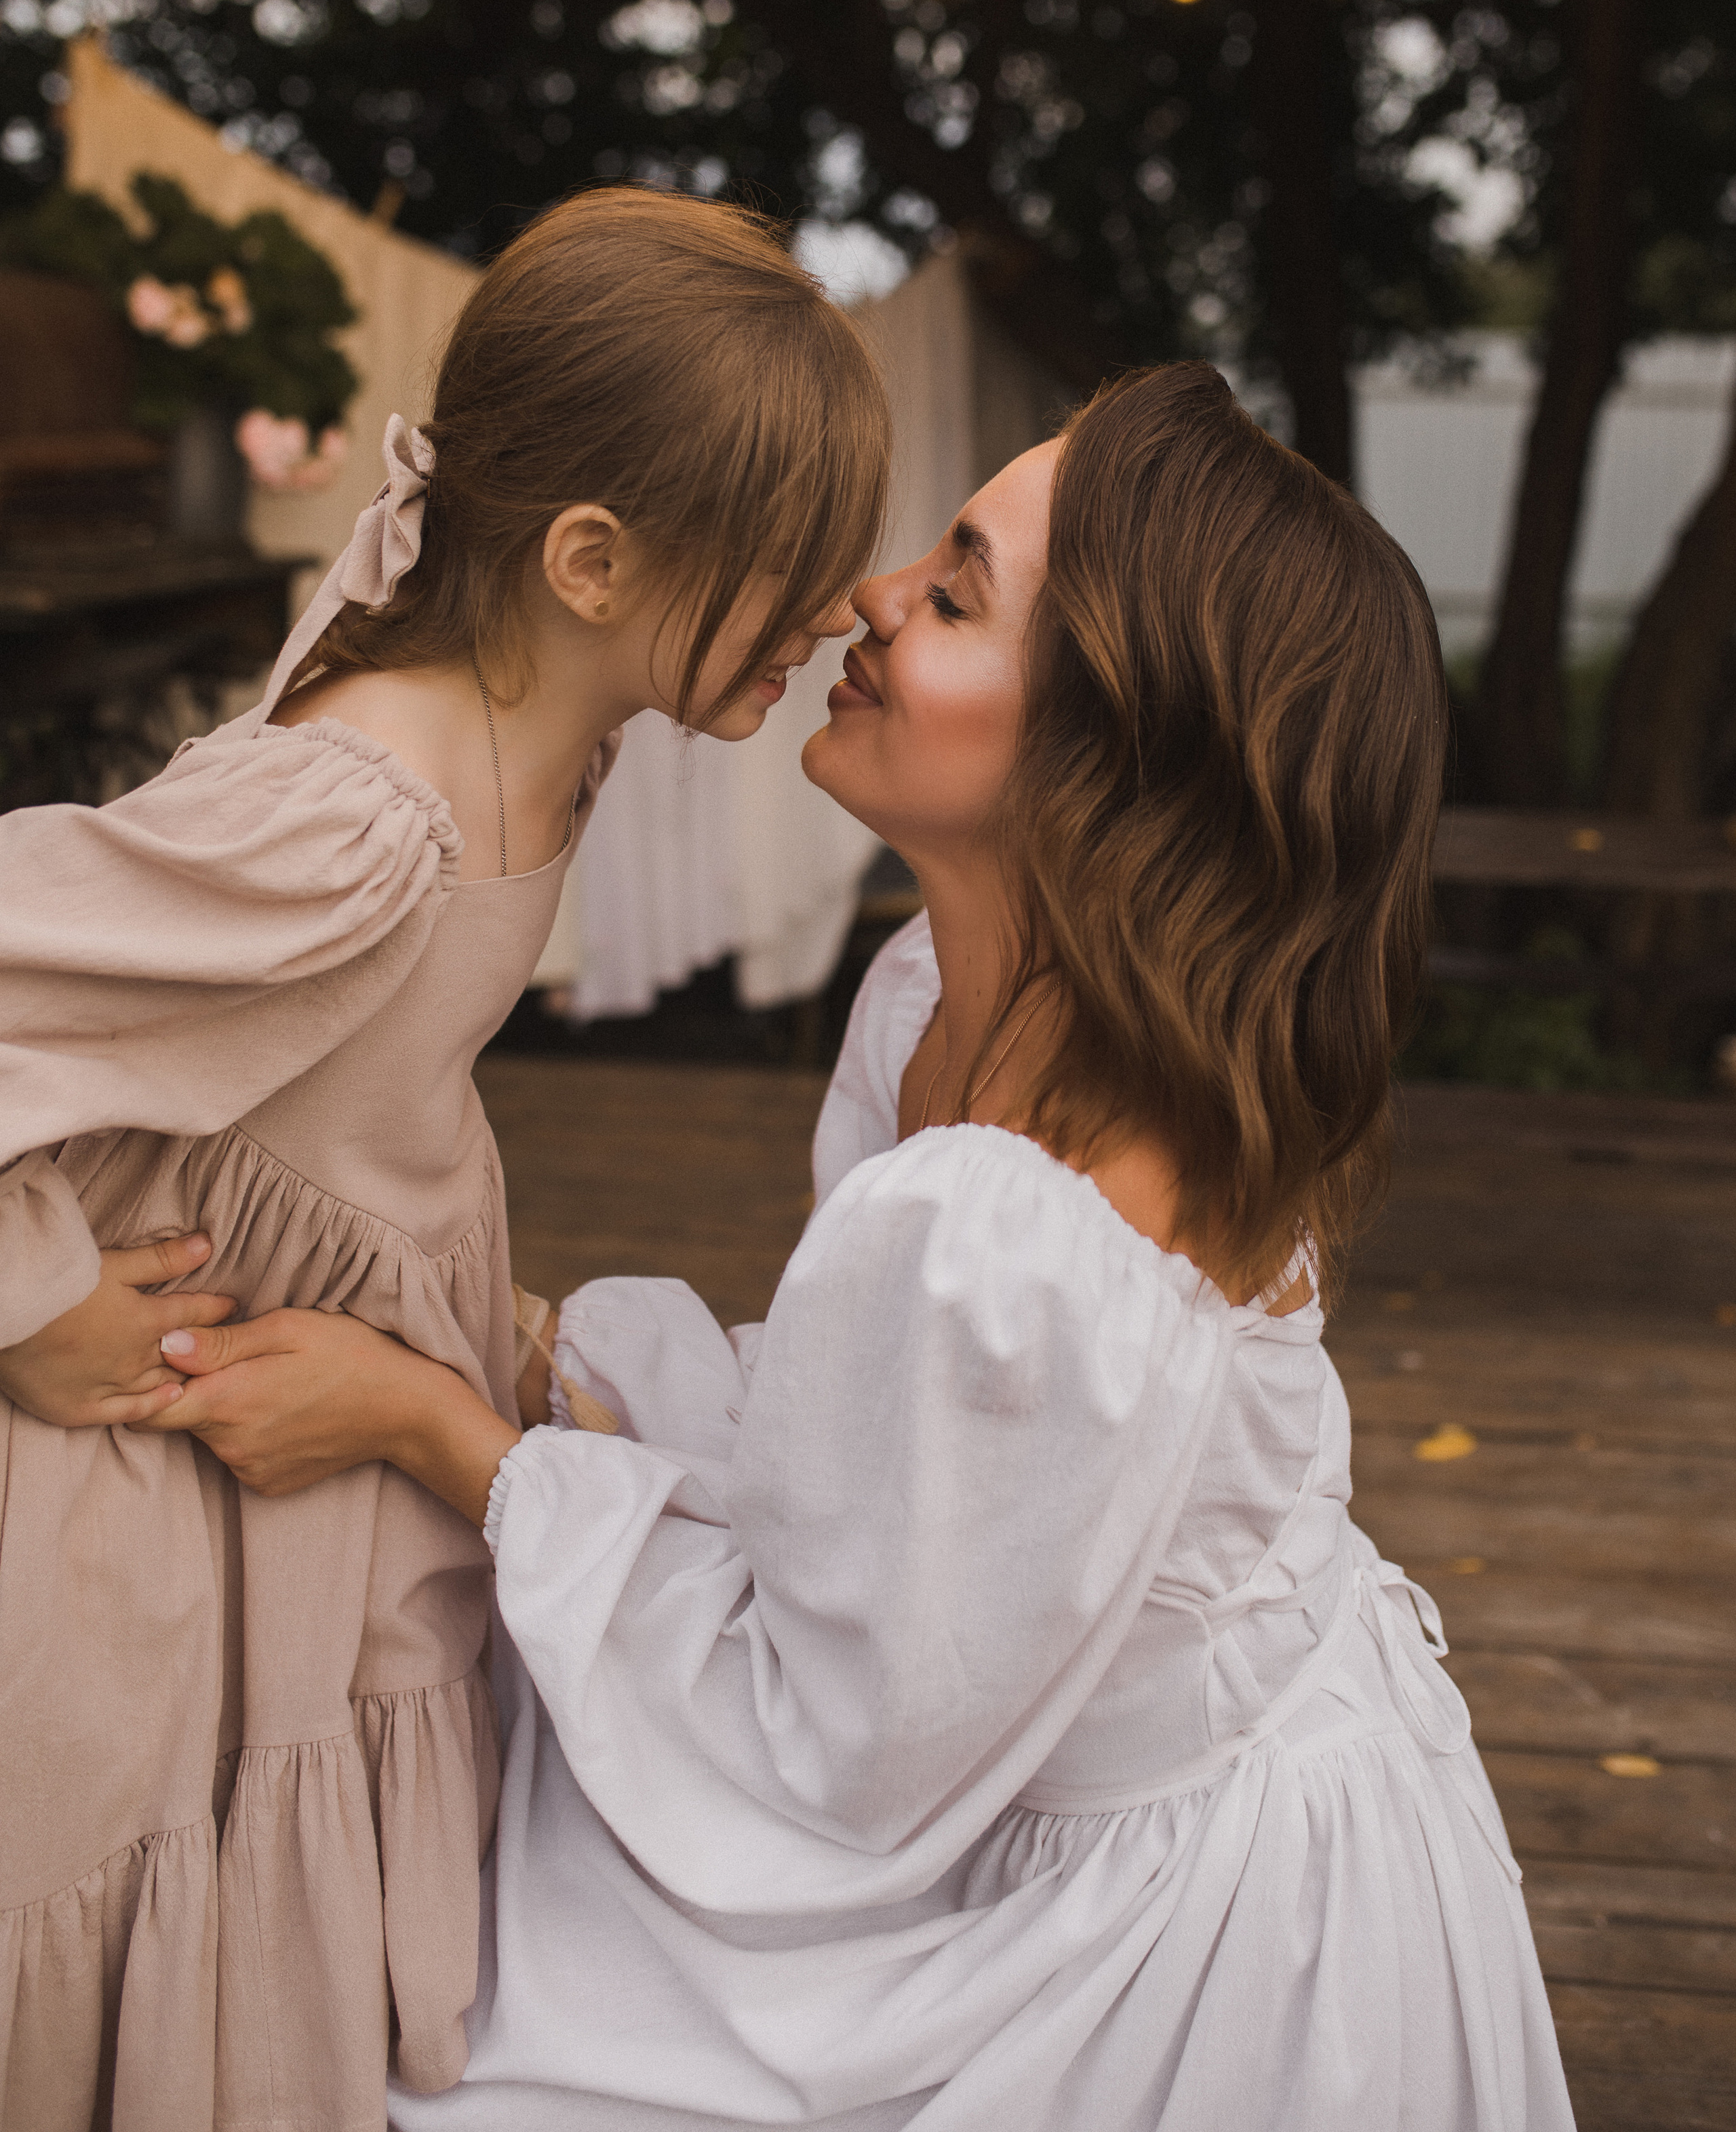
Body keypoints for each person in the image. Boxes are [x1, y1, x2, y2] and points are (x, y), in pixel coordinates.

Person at [153, 362, 1575, 2130]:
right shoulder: (944, 994)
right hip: (962, 1726)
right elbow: (874, 1483)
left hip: (1149, 1909)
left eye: (959, 592)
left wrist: (429, 1429)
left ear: (1103, 755)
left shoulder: (1024, 1232)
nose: (870, 598)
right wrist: (529, 1344)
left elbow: (819, 1746)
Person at [0, 186, 890, 2132]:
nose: (841, 611)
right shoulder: (356, 818)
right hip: (170, 1461)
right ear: (588, 557)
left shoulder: (560, 719)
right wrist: (36, 1297)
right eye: (798, 565)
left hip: (346, 1421)